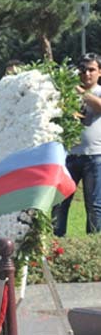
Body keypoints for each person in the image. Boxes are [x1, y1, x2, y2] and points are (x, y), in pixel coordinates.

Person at [53, 52, 101, 236]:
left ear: (99, 72)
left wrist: (81, 92)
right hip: (69, 156)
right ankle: (56, 245)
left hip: (95, 156)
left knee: (94, 206)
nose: (87, 74)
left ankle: (93, 248)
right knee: (59, 202)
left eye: (91, 70)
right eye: (83, 70)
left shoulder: (98, 92)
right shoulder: (66, 92)